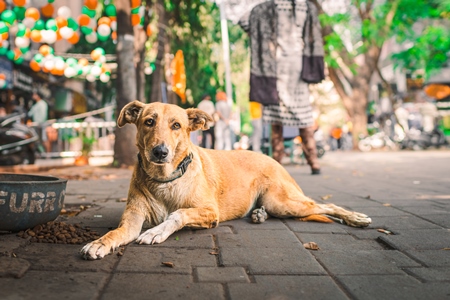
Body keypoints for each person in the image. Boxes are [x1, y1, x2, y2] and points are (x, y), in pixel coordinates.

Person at [239, 0, 324, 174]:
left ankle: (276, 163)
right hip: (299, 67)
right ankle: (313, 162)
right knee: (304, 118)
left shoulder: (268, 7)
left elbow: (245, 22)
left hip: (275, 68)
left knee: (276, 120)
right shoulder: (306, 6)